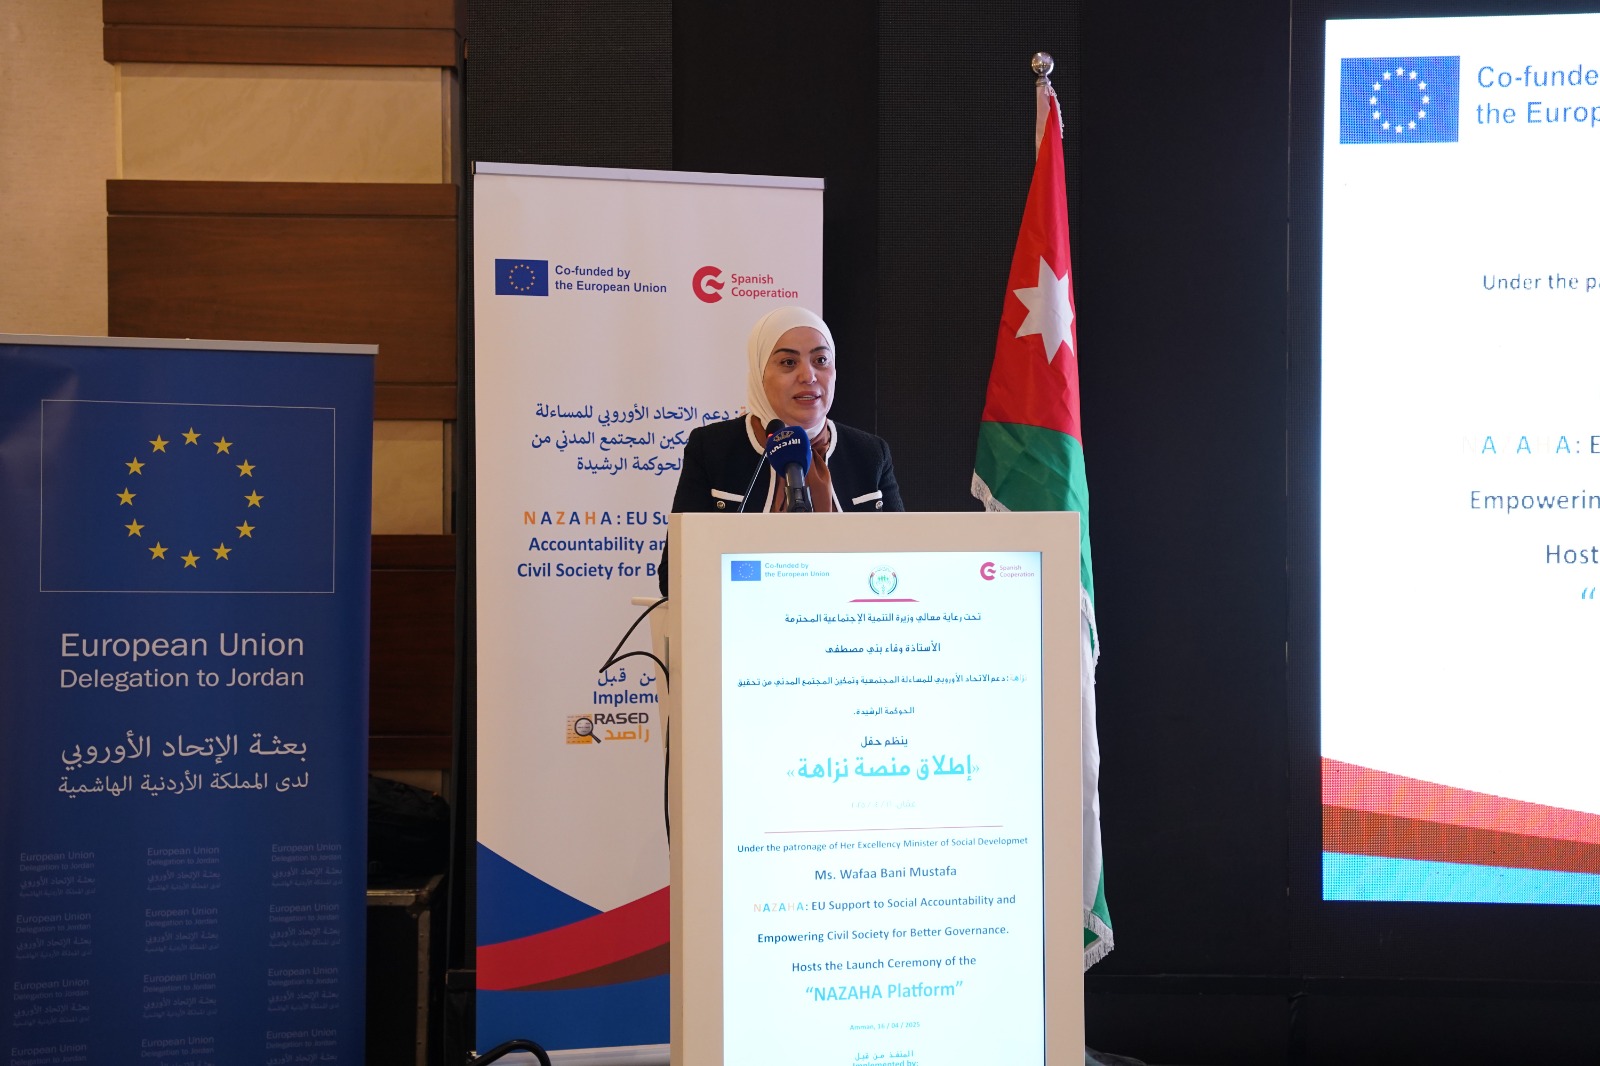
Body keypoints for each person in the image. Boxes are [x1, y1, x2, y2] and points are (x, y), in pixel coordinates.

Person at [657, 306, 903, 594]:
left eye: (821, 360)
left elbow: (905, 562)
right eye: (788, 362)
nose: (808, 376)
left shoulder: (869, 453)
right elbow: (674, 577)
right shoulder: (713, 448)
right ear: (759, 373)